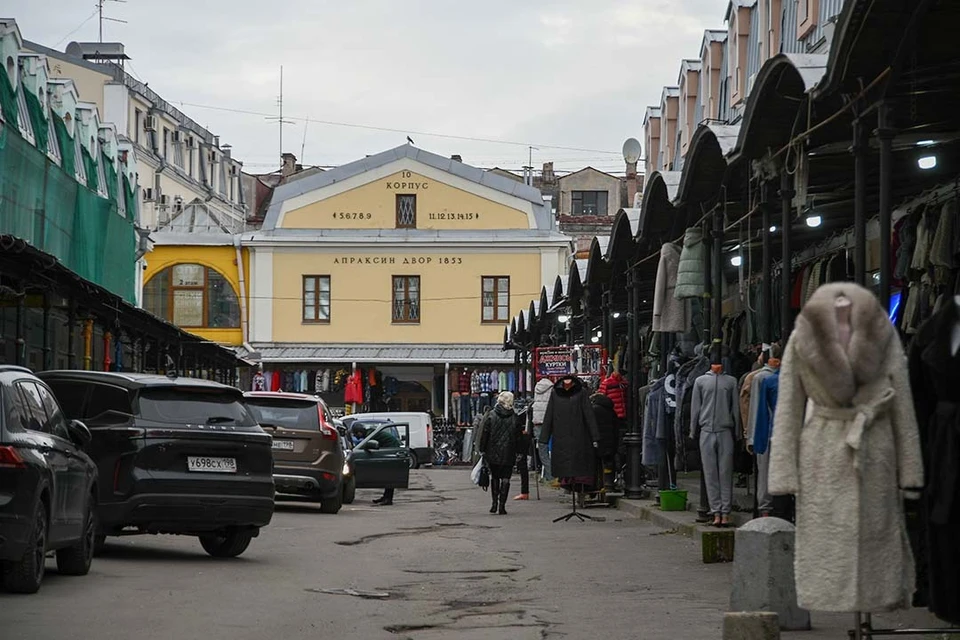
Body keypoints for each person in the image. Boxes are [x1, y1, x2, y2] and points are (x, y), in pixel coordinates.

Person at [479, 391, 522, 515]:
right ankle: (502, 506)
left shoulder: (491, 415)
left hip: (492, 451)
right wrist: (519, 452)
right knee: (506, 479)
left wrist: (482, 449)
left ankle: (494, 504)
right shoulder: (515, 417)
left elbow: (485, 434)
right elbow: (518, 437)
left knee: (495, 477)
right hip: (509, 452)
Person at [351, 423, 404, 506]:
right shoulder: (369, 433)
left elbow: (366, 445)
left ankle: (388, 499)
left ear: (359, 432)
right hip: (389, 449)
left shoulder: (369, 434)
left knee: (389, 476)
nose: (356, 435)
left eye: (355, 433)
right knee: (388, 475)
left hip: (391, 450)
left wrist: (357, 450)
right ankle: (385, 497)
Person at [590, 393, 620, 491]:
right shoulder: (612, 411)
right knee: (608, 462)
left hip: (597, 442)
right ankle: (609, 484)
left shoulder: (593, 410)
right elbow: (616, 428)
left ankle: (597, 485)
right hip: (610, 443)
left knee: (596, 464)